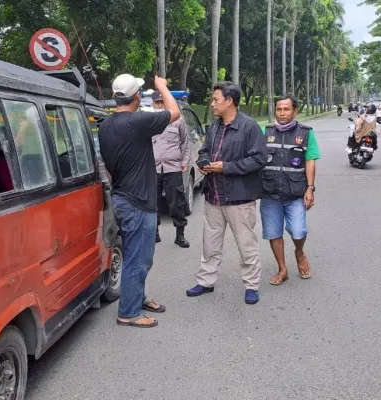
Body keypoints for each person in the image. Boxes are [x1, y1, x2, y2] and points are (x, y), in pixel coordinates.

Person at [97, 74, 181, 328]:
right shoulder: (138, 121)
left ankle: (138, 297)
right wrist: (163, 87)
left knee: (138, 255)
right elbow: (174, 112)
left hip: (122, 197)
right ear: (136, 97)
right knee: (139, 258)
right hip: (138, 203)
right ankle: (129, 312)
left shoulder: (106, 125)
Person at [186, 81, 267, 305]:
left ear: (229, 101)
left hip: (239, 198)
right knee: (210, 243)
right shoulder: (214, 126)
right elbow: (204, 150)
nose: (212, 104)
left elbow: (259, 159)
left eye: (216, 99)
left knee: (246, 244)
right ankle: (206, 281)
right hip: (214, 196)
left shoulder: (249, 126)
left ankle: (251, 285)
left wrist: (226, 167)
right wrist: (203, 162)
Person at [262, 95, 321, 286]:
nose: (282, 113)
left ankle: (299, 252)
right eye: (279, 109)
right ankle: (282, 269)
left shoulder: (305, 133)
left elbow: (310, 160)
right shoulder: (266, 131)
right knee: (273, 233)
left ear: (294, 111)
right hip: (270, 193)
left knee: (298, 231)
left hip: (295, 192)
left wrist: (310, 189)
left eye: (286, 109)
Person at [150, 91, 191, 248]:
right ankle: (154, 233)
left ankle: (180, 235)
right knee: (152, 202)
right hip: (153, 168)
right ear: (153, 103)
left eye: (163, 102)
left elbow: (185, 142)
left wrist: (184, 162)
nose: (160, 105)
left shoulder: (178, 119)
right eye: (157, 102)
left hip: (173, 167)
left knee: (177, 203)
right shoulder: (149, 120)